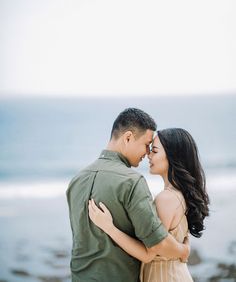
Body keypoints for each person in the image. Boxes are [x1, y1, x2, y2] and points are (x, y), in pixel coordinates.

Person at [67, 109, 190, 282]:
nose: (147, 152)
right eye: (147, 145)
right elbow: (155, 245)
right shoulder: (131, 182)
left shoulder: (76, 180)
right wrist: (183, 250)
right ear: (128, 138)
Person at [89, 128, 210, 282]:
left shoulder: (166, 198)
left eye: (154, 151)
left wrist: (109, 228)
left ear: (173, 157)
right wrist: (182, 250)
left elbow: (147, 254)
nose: (148, 155)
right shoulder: (179, 194)